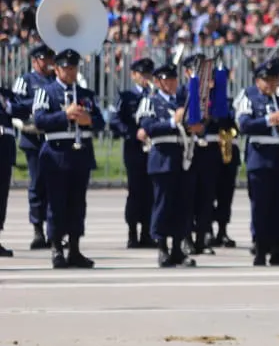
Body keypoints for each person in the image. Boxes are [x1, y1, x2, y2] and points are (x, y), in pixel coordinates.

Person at [32, 49, 105, 269]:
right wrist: (65, 115)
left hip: (80, 154)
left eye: (73, 68)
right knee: (56, 203)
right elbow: (40, 120)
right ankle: (56, 248)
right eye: (66, 68)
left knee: (77, 204)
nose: (70, 72)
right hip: (56, 153)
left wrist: (88, 120)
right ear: (57, 69)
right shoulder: (47, 92)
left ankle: (74, 248)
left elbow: (101, 122)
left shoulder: (85, 94)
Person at [235, 58, 279, 267]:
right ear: (258, 81)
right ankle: (260, 248)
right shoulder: (249, 96)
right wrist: (268, 120)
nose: (271, 84)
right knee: (261, 206)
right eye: (266, 80)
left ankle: (278, 248)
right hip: (261, 158)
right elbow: (244, 125)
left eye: (274, 80)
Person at [138, 63, 200, 268]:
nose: (171, 83)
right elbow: (148, 127)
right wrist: (173, 122)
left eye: (173, 79)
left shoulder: (183, 102)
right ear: (157, 81)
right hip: (163, 158)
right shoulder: (151, 101)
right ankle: (162, 247)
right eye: (166, 79)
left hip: (183, 158)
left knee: (182, 205)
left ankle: (177, 249)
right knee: (163, 204)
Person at [109, 57, 156, 249]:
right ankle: (132, 233)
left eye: (148, 75)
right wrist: (131, 132)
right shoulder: (126, 96)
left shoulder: (155, 95)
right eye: (142, 74)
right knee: (136, 191)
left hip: (153, 148)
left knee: (151, 191)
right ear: (134, 75)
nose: (146, 78)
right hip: (134, 147)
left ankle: (147, 232)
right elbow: (114, 120)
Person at [12, 44, 55, 249]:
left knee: (54, 185)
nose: (48, 63)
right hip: (33, 138)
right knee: (37, 183)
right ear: (35, 61)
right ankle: (38, 229)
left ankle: (54, 230)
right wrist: (39, 102)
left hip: (53, 137)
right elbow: (17, 106)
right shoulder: (25, 81)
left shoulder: (56, 80)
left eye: (49, 59)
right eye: (44, 59)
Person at [179, 53, 220, 256]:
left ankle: (201, 237)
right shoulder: (181, 93)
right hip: (188, 151)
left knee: (206, 198)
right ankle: (185, 238)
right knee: (186, 198)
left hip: (209, 151)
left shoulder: (213, 94)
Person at [213, 67, 241, 249]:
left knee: (226, 195)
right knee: (207, 195)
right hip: (211, 154)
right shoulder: (207, 103)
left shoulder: (231, 102)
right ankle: (206, 229)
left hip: (229, 153)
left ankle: (222, 230)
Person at [0, 85, 16, 257]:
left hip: (4, 149)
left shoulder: (6, 95)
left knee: (1, 196)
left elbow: (24, 108)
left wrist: (8, 106)